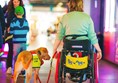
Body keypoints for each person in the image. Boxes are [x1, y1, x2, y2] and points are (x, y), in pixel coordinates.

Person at [5, 0, 26, 74]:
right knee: (11, 50)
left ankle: (20, 68)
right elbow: (5, 19)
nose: (16, 3)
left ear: (20, 2)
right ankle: (9, 67)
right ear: (12, 2)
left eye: (17, 2)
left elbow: (24, 20)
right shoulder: (9, 9)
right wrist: (7, 27)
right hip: (10, 34)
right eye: (14, 2)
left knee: (20, 53)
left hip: (18, 35)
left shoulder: (23, 9)